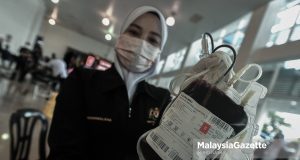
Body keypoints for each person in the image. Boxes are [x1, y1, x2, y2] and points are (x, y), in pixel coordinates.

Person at [47, 6, 170, 160]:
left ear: (159, 52)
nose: (141, 44)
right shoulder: (81, 81)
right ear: (121, 36)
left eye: (152, 40)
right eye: (134, 32)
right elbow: (63, 150)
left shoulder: (162, 100)